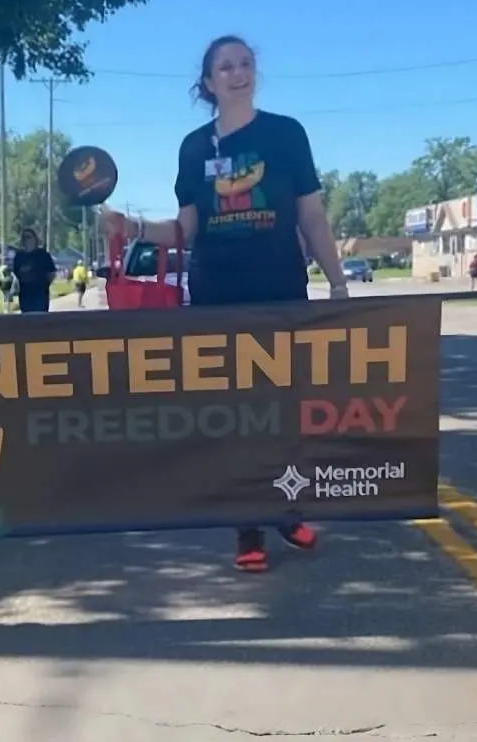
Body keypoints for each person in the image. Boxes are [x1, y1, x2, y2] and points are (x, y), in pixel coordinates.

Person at [102, 34, 351, 573]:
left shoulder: (287, 135)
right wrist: (135, 226)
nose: (237, 73)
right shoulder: (195, 148)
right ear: (209, 82)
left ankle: (287, 510)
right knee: (239, 416)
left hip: (281, 288)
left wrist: (337, 283)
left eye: (245, 64)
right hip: (217, 295)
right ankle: (248, 531)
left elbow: (311, 215)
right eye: (225, 67)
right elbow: (187, 229)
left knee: (284, 413)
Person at [13, 228, 56, 313]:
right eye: (24, 237)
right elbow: (17, 273)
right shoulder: (19, 256)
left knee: (40, 320)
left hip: (40, 295)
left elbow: (52, 274)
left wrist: (44, 284)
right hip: (25, 295)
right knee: (27, 321)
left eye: (29, 237)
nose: (26, 239)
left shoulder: (43, 255)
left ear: (35, 239)